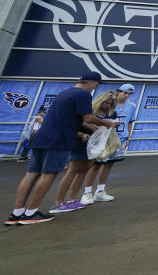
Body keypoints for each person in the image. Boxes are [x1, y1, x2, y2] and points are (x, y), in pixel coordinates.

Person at [6, 73, 119, 225]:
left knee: (31, 174)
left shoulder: (64, 93)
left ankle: (17, 213)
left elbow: (81, 120)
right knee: (48, 175)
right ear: (92, 82)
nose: (95, 87)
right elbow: (88, 118)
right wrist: (106, 124)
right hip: (59, 140)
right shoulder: (83, 95)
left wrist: (96, 127)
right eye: (96, 84)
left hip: (42, 138)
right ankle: (31, 213)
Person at [76, 91, 123, 206]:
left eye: (110, 104)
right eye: (106, 102)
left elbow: (115, 123)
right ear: (100, 100)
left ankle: (100, 191)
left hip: (107, 142)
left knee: (108, 164)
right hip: (90, 142)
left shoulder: (112, 113)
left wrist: (116, 124)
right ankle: (87, 193)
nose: (107, 105)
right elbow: (81, 122)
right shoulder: (90, 111)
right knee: (93, 166)